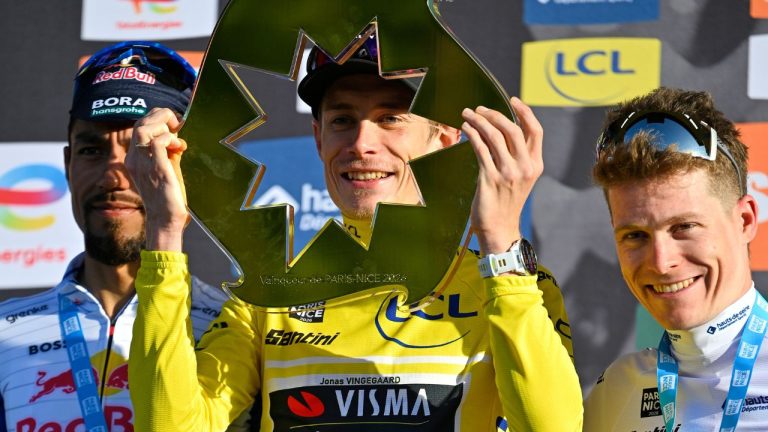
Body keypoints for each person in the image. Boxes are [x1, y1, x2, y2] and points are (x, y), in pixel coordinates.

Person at [126, 35, 583, 431]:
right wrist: (164, 233)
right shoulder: (269, 293)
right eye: (342, 120)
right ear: (319, 138)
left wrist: (501, 244)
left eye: (390, 118)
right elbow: (169, 426)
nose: (361, 143)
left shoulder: (510, 283)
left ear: (444, 138)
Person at [0, 41, 229, 431]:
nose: (113, 177)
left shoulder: (233, 327)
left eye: (142, 151)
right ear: (68, 164)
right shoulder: (7, 331)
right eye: (92, 151)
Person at [584, 87, 768, 431]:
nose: (661, 262)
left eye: (684, 227)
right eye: (635, 235)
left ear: (744, 221)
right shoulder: (615, 391)